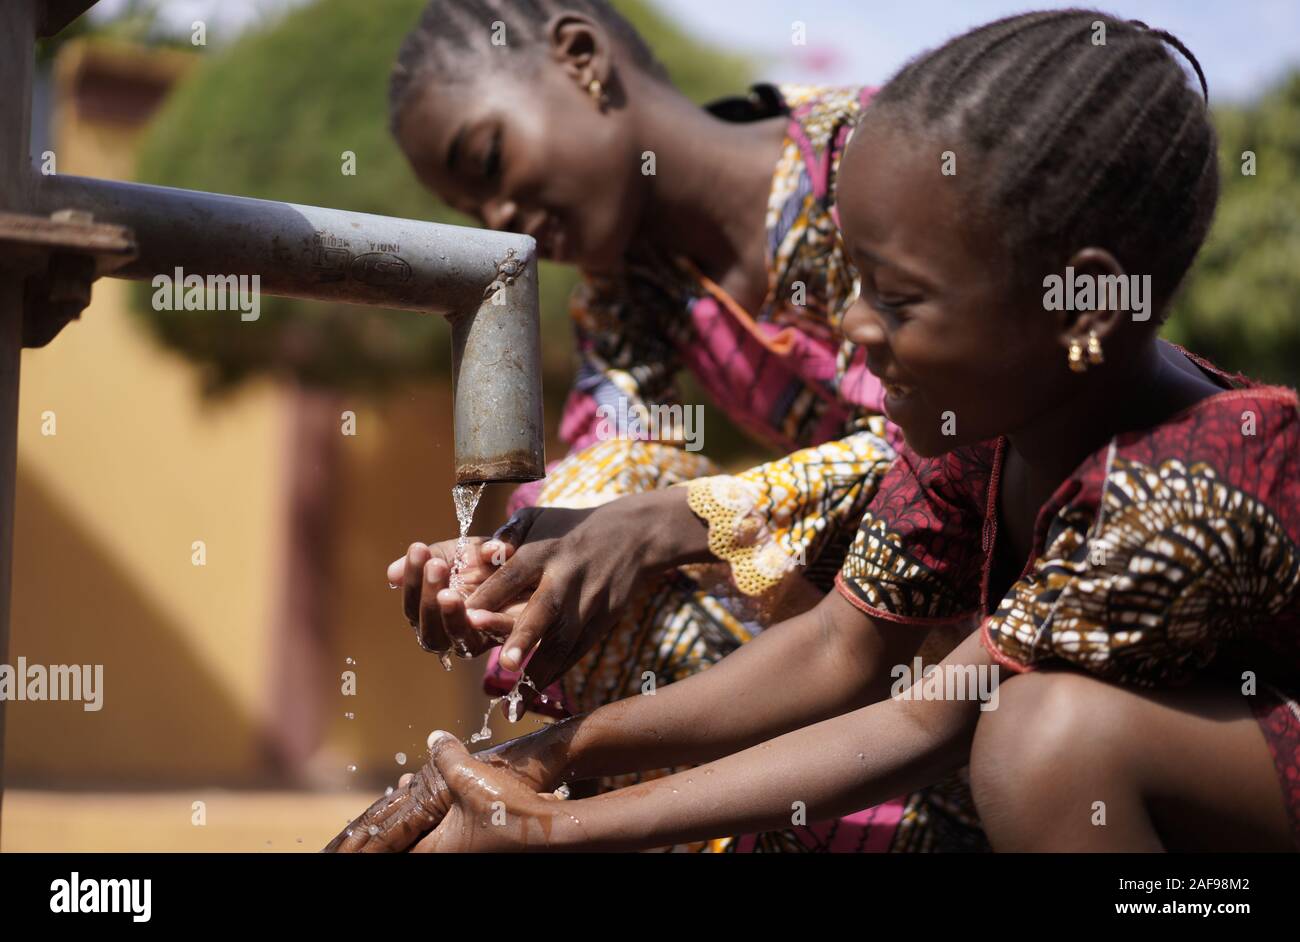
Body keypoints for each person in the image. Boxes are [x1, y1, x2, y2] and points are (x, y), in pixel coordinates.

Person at [332, 10, 1299, 853]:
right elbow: (842, 645)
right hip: (991, 698)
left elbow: (929, 718)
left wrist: (557, 827)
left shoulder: (1179, 486)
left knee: (1042, 742)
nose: (854, 326)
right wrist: (527, 757)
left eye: (898, 296)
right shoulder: (975, 431)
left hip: (1102, 757)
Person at [383, 0, 984, 850]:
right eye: (470, 206)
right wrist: (494, 569)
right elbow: (599, 483)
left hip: (1021, 627)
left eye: (488, 160)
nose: (498, 219)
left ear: (580, 56)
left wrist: (677, 517)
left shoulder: (878, 162)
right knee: (577, 538)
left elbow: (974, 441)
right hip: (884, 642)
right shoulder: (635, 296)